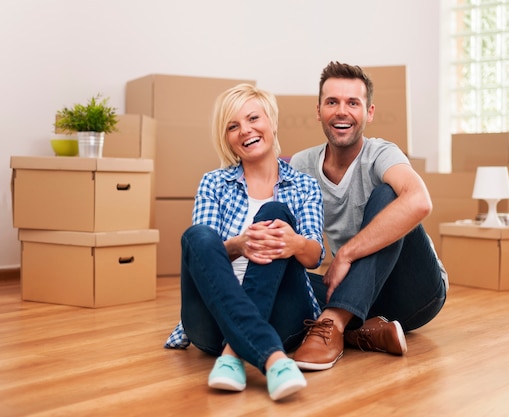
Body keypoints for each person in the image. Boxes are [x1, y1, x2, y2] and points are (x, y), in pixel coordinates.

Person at [163, 83, 325, 400]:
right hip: (214, 318)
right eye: (233, 126)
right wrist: (241, 244)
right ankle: (272, 359)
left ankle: (232, 357)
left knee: (275, 211)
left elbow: (314, 257)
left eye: (253, 118)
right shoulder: (213, 182)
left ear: (272, 122)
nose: (245, 131)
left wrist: (293, 243)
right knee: (197, 235)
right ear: (226, 137)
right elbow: (202, 255)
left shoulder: (304, 186)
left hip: (283, 314)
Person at [289, 61, 448, 371]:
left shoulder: (381, 153)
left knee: (389, 195)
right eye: (332, 101)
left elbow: (419, 202)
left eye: (353, 103)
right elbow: (293, 242)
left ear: (369, 112)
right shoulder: (301, 165)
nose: (341, 111)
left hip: (416, 292)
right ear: (318, 110)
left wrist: (346, 253)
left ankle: (334, 322)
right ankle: (365, 331)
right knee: (284, 281)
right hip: (359, 294)